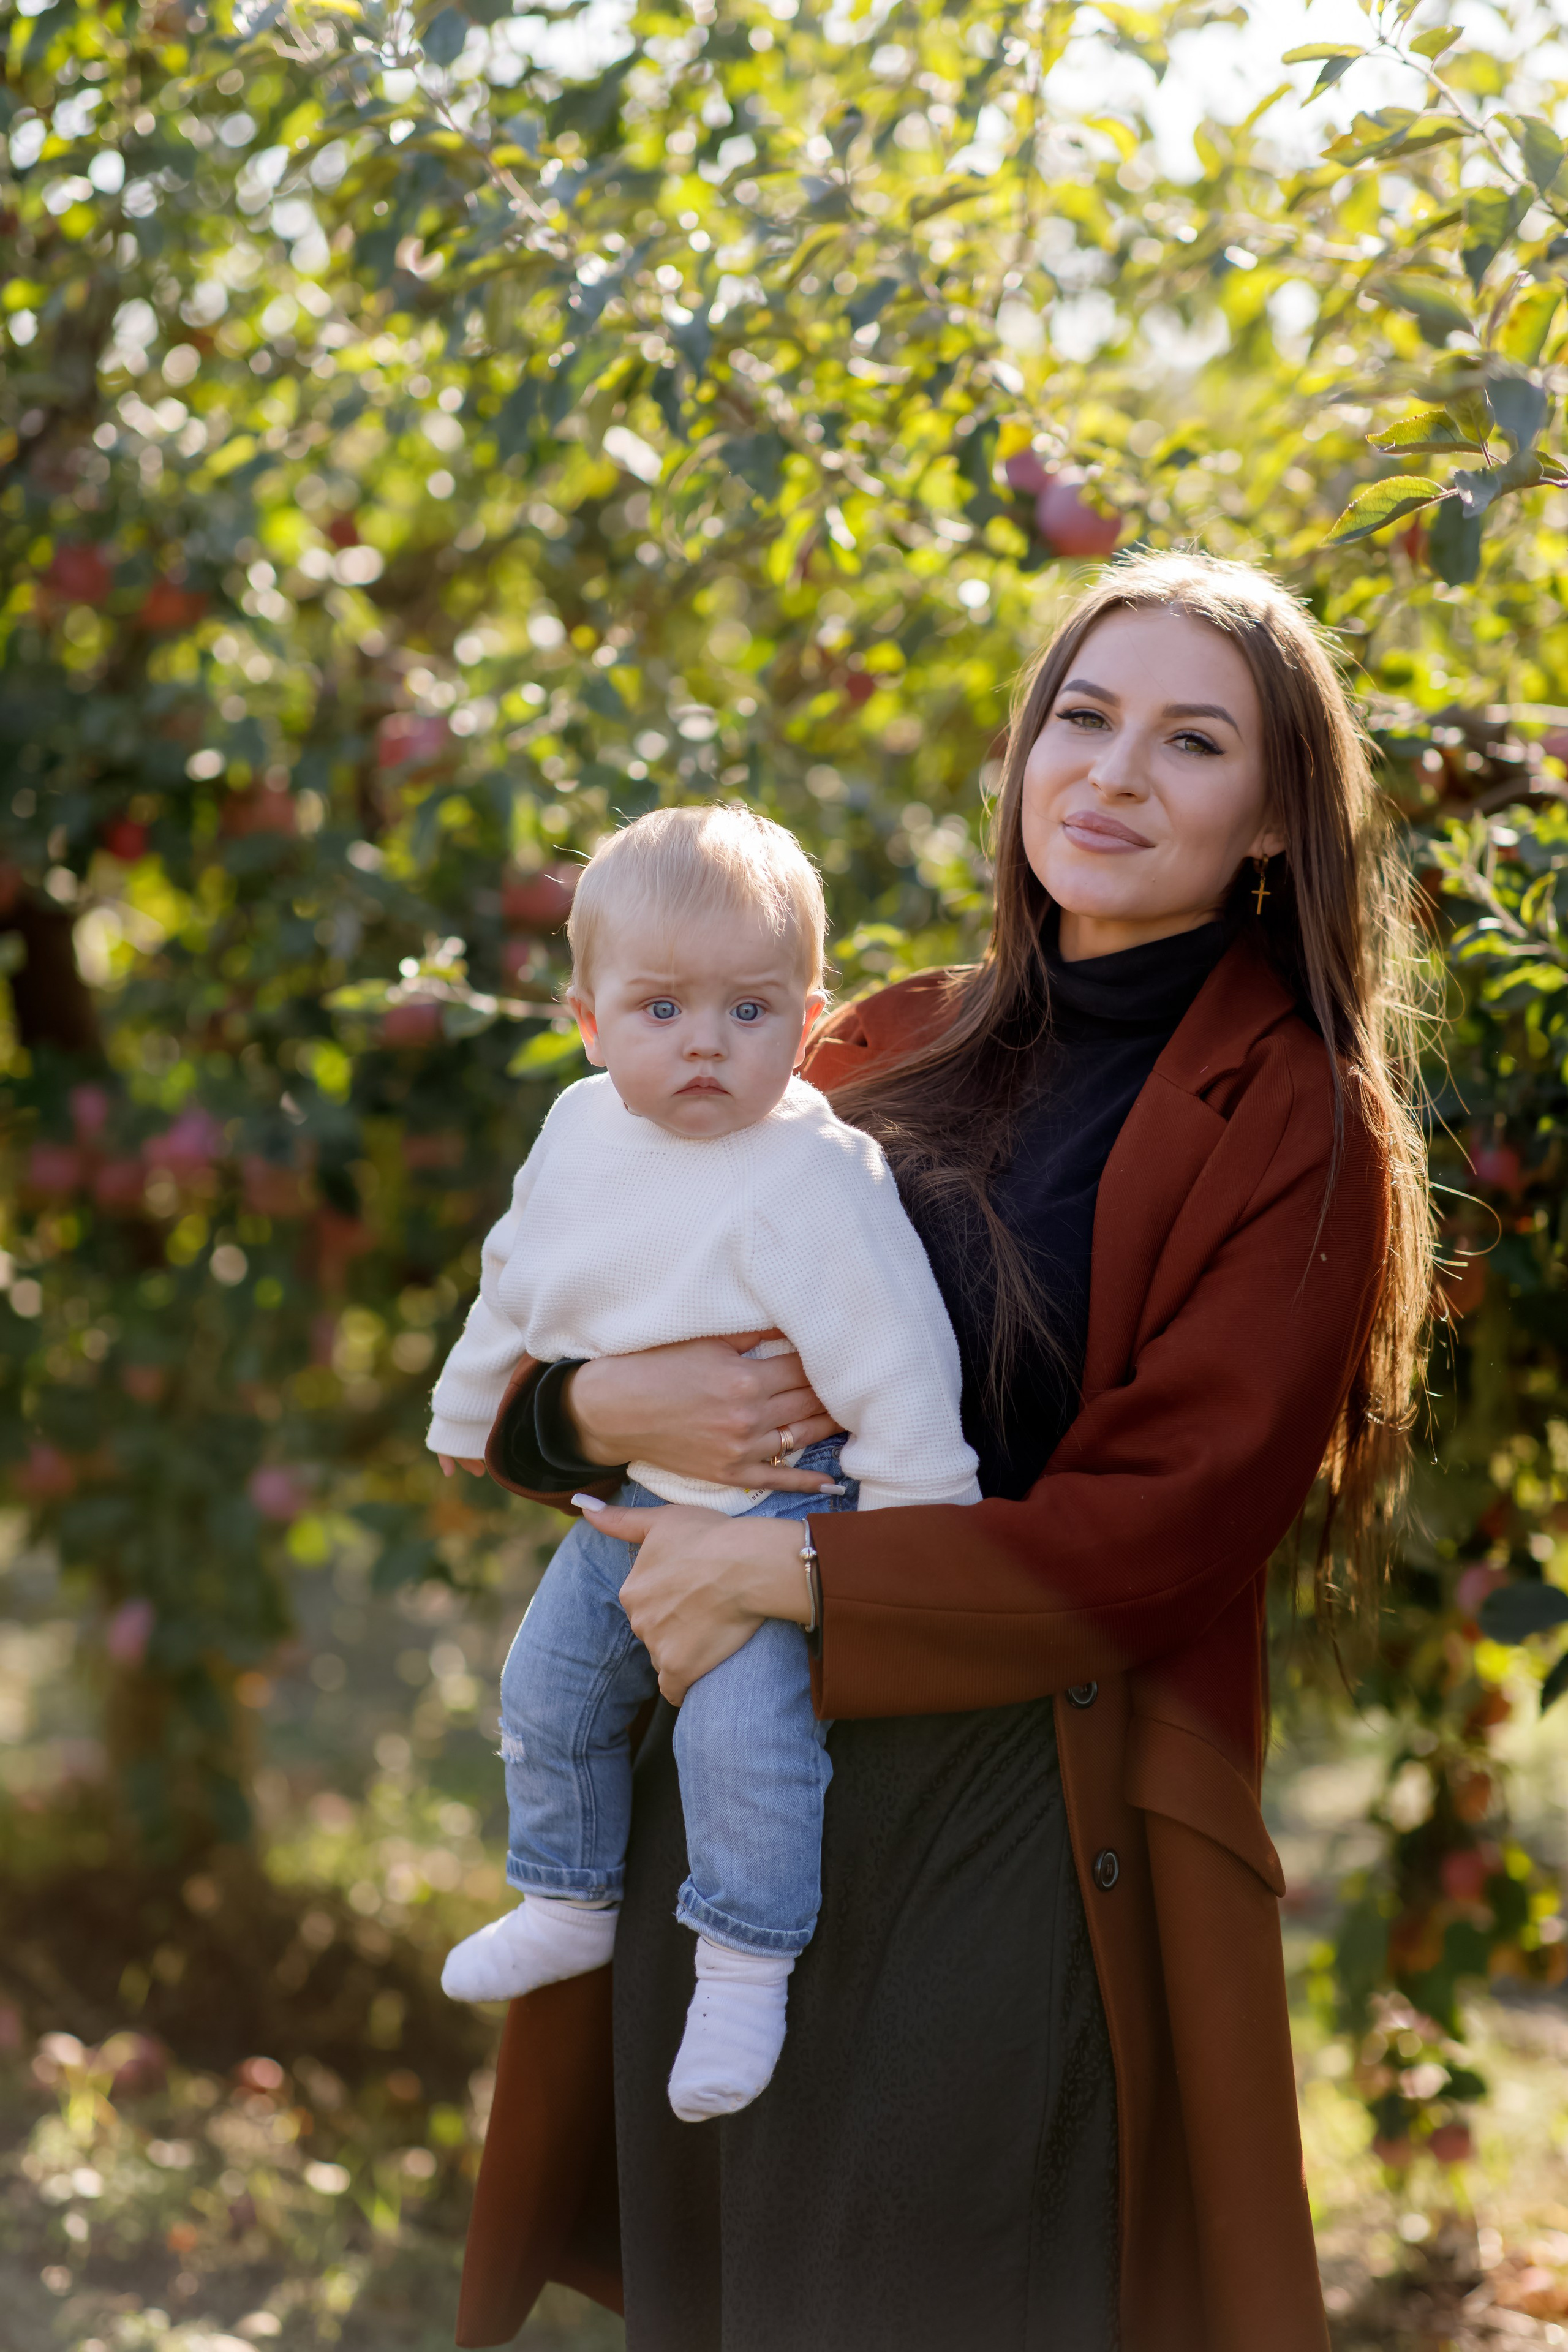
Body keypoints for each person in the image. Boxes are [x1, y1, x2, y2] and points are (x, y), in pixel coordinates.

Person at [452, 551, 1433, 2352]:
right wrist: (583, 1412)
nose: (1114, 773)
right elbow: (588, 1283)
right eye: (1084, 716)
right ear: (1023, 752)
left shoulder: (1296, 1125)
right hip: (716, 1795)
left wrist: (792, 1567)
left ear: (1277, 818)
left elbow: (1162, 1529)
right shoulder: (879, 1038)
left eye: (1191, 741)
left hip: (1004, 1825)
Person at [428, 805, 978, 2124]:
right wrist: (464, 1409)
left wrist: (918, 1520)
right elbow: (516, 1279)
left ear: (807, 1023)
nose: (703, 1044)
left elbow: (897, 1348)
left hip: (789, 1495)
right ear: (589, 1022)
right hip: (635, 1487)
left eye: (748, 1010)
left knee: (742, 1738)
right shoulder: (578, 1133)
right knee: (549, 1686)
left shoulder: (814, 1173)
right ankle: (565, 1897)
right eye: (661, 1008)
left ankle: (743, 1966)